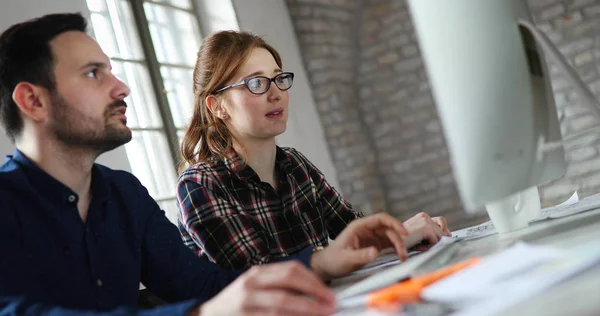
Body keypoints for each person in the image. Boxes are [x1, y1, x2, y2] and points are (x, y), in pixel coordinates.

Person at [0, 13, 423, 316]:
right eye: (94, 74)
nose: (122, 87)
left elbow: (204, 284)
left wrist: (322, 261)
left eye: (112, 70)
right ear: (33, 100)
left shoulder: (124, 195)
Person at [177, 30, 452, 271]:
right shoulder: (200, 185)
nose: (276, 94)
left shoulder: (295, 165)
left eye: (278, 78)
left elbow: (354, 233)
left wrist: (407, 232)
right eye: (256, 83)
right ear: (218, 106)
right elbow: (258, 275)